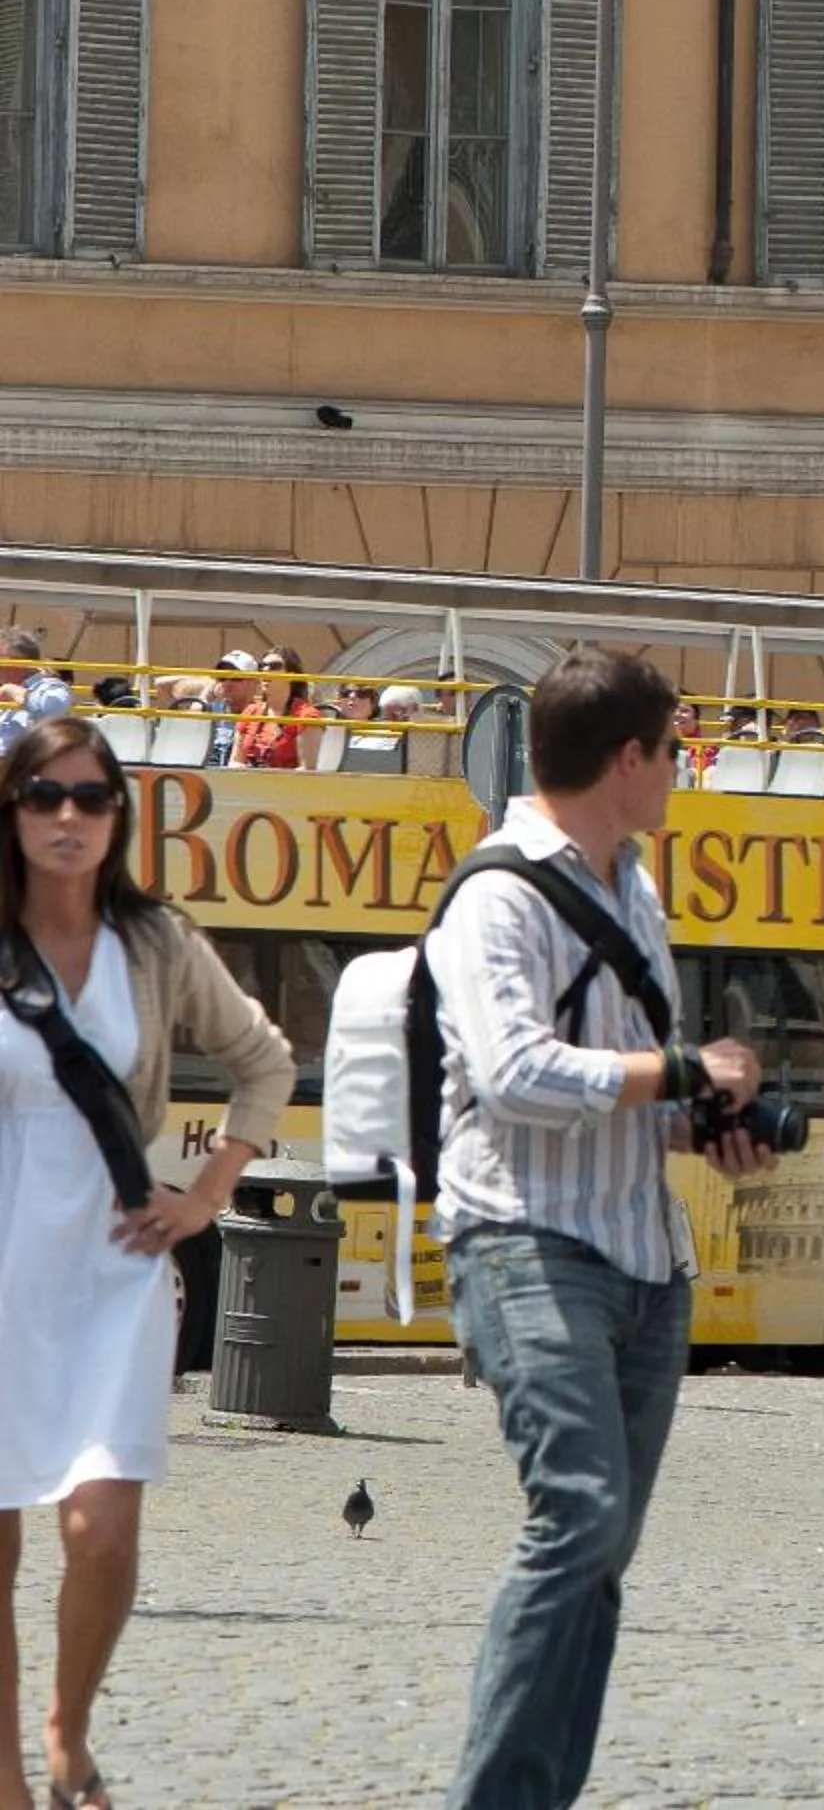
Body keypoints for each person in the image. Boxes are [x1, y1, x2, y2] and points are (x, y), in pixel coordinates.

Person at [429, 646, 775, 1809]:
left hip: (645, 1258)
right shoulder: (496, 897)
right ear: (628, 759)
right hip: (526, 1241)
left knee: (602, 1551)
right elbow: (516, 1074)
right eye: (674, 750)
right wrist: (681, 1068)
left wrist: (702, 1125)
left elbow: (625, 1087)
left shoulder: (638, 891)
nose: (682, 770)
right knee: (578, 1515)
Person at [0, 718, 297, 1810]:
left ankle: (66, 1726)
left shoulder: (157, 943)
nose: (67, 817)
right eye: (44, 796)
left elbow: (264, 1061)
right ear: (11, 811)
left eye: (91, 797)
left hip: (113, 1261)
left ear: (118, 817)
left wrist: (207, 1195)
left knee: (103, 1530)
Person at [230, 650, 324, 771]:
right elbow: (235, 761)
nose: (266, 670)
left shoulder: (307, 716)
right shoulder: (251, 711)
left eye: (274, 666)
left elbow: (306, 770)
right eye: (262, 666)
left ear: (291, 676)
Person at [0, 630, 70, 763]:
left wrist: (12, 691)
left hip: (23, 765)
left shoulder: (49, 686)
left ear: (21, 661)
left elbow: (53, 709)